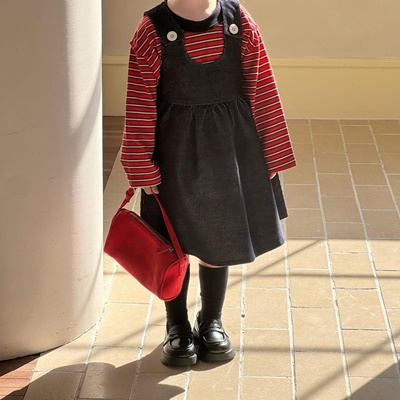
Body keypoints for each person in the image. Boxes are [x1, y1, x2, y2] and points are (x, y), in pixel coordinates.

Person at [121, 0, 296, 366]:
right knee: (174, 241)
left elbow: (262, 87)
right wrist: (141, 166)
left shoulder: (237, 21)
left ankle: (211, 319)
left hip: (230, 151)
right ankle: (177, 324)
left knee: (221, 235)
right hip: (173, 157)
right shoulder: (152, 30)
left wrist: (271, 154)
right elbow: (139, 102)